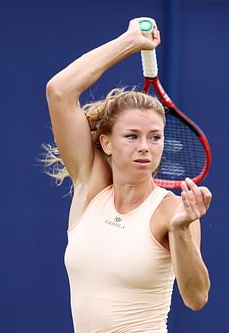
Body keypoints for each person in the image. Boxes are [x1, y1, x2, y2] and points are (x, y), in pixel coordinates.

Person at [44, 17, 212, 333]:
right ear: (106, 142)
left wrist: (180, 230)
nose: (145, 148)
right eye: (132, 136)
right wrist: (130, 41)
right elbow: (60, 91)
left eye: (155, 137)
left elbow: (196, 297)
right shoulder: (90, 188)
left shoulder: (174, 210)